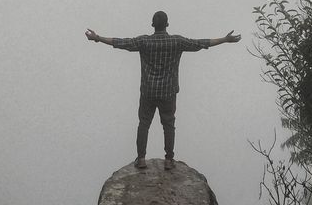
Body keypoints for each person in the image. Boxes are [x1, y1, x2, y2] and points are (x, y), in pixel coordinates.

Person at [85, 11, 241, 170]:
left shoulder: (144, 41)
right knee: (168, 124)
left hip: (148, 92)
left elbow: (121, 42)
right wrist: (224, 40)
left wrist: (98, 38)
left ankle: (141, 159)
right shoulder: (176, 41)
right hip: (168, 92)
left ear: (152, 25)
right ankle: (168, 159)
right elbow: (200, 43)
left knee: (144, 124)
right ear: (167, 24)